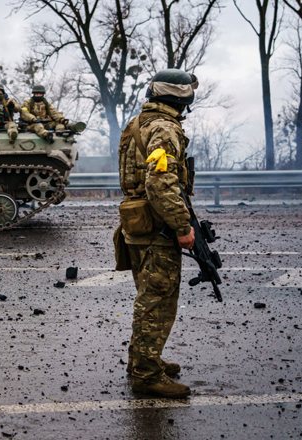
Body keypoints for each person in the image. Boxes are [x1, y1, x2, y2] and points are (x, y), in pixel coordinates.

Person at [116, 68, 199, 399]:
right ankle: (146, 376)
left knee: (147, 297)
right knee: (158, 300)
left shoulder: (138, 123)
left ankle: (143, 360)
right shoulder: (164, 128)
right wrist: (182, 226)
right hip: (157, 227)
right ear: (180, 97)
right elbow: (160, 182)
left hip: (138, 223)